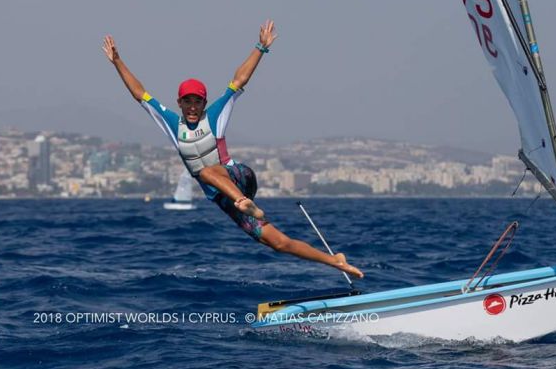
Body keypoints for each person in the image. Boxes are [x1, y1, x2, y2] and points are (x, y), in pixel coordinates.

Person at [101, 21, 363, 279]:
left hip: (239, 177)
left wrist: (261, 47)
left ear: (204, 102)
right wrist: (117, 62)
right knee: (276, 242)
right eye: (187, 101)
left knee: (206, 172)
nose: (192, 106)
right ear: (179, 103)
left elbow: (238, 80)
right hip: (224, 198)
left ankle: (245, 203)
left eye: (197, 101)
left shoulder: (215, 114)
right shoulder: (171, 123)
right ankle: (336, 261)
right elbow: (140, 94)